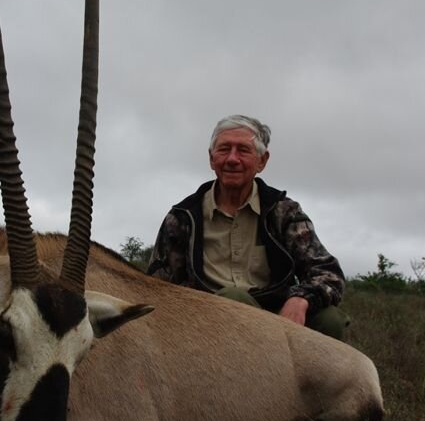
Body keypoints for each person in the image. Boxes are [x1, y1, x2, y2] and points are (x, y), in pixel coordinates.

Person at [147, 114, 349, 340]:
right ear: (212, 158)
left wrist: (300, 299)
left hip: (278, 319)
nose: (232, 159)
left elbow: (329, 273)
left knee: (329, 319)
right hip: (207, 325)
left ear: (262, 161)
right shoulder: (183, 217)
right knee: (235, 299)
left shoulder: (284, 212)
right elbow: (157, 287)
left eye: (243, 150)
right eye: (224, 149)